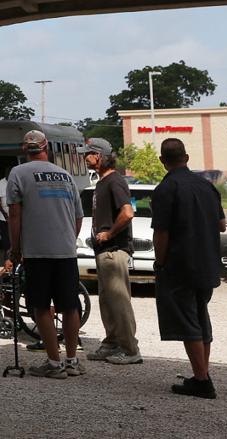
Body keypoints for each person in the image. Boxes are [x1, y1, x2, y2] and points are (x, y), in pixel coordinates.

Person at [4, 129, 85, 379]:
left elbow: (15, 214)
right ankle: (71, 360)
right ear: (46, 146)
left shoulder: (18, 173)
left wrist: (15, 248)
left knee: (40, 306)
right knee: (70, 306)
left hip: (37, 252)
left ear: (23, 149)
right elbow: (78, 216)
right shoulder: (65, 175)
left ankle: (54, 362)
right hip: (66, 251)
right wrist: (67, 239)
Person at [152, 137, 227, 399]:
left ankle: (202, 380)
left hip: (180, 265)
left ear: (163, 161)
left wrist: (159, 264)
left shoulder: (166, 189)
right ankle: (201, 373)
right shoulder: (206, 186)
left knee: (187, 322)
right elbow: (221, 225)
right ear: (186, 157)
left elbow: (161, 233)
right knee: (201, 318)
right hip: (207, 262)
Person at [80, 137, 142, 366]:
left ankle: (130, 349)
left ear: (98, 156)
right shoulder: (102, 182)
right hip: (104, 251)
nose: (84, 157)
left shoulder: (115, 181)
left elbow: (127, 213)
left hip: (114, 250)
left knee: (119, 300)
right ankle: (111, 343)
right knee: (107, 300)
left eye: (87, 153)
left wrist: (109, 233)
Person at [0, 174, 11, 261]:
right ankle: (7, 262)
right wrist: (4, 214)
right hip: (3, 218)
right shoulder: (1, 183)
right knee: (6, 242)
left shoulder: (16, 181)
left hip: (15, 217)